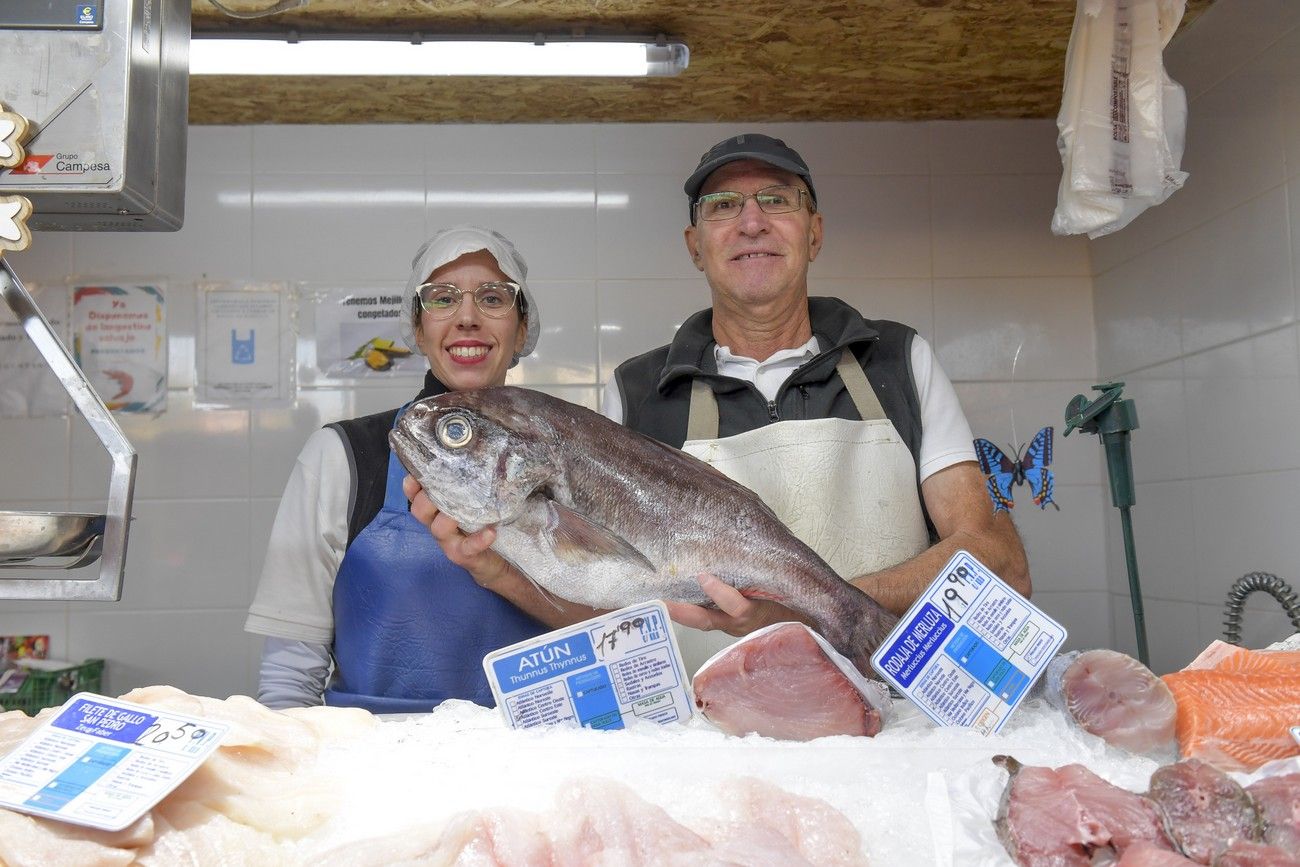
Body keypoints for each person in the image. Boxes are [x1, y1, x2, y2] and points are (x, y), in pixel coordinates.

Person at [601, 133, 1030, 669]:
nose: (751, 222)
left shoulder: (899, 359)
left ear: (815, 233)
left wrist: (816, 609)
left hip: (894, 722)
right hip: (708, 734)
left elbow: (993, 556)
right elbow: (608, 601)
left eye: (777, 200)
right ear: (694, 245)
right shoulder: (635, 393)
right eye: (722, 206)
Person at [246, 225, 594, 712]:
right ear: (417, 330)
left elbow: (616, 632)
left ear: (521, 329)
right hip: (379, 770)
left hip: (537, 765)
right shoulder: (345, 457)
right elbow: (289, 680)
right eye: (442, 299)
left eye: (493, 298)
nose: (467, 318)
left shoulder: (580, 459)